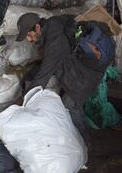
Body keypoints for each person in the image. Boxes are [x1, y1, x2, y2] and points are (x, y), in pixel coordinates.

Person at [16, 13, 115, 144]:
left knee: (70, 106)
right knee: (72, 104)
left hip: (87, 75)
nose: (29, 39)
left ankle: (84, 143)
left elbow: (43, 76)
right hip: (84, 66)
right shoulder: (54, 21)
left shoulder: (54, 45)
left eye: (29, 35)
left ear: (38, 28)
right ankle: (80, 136)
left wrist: (26, 101)